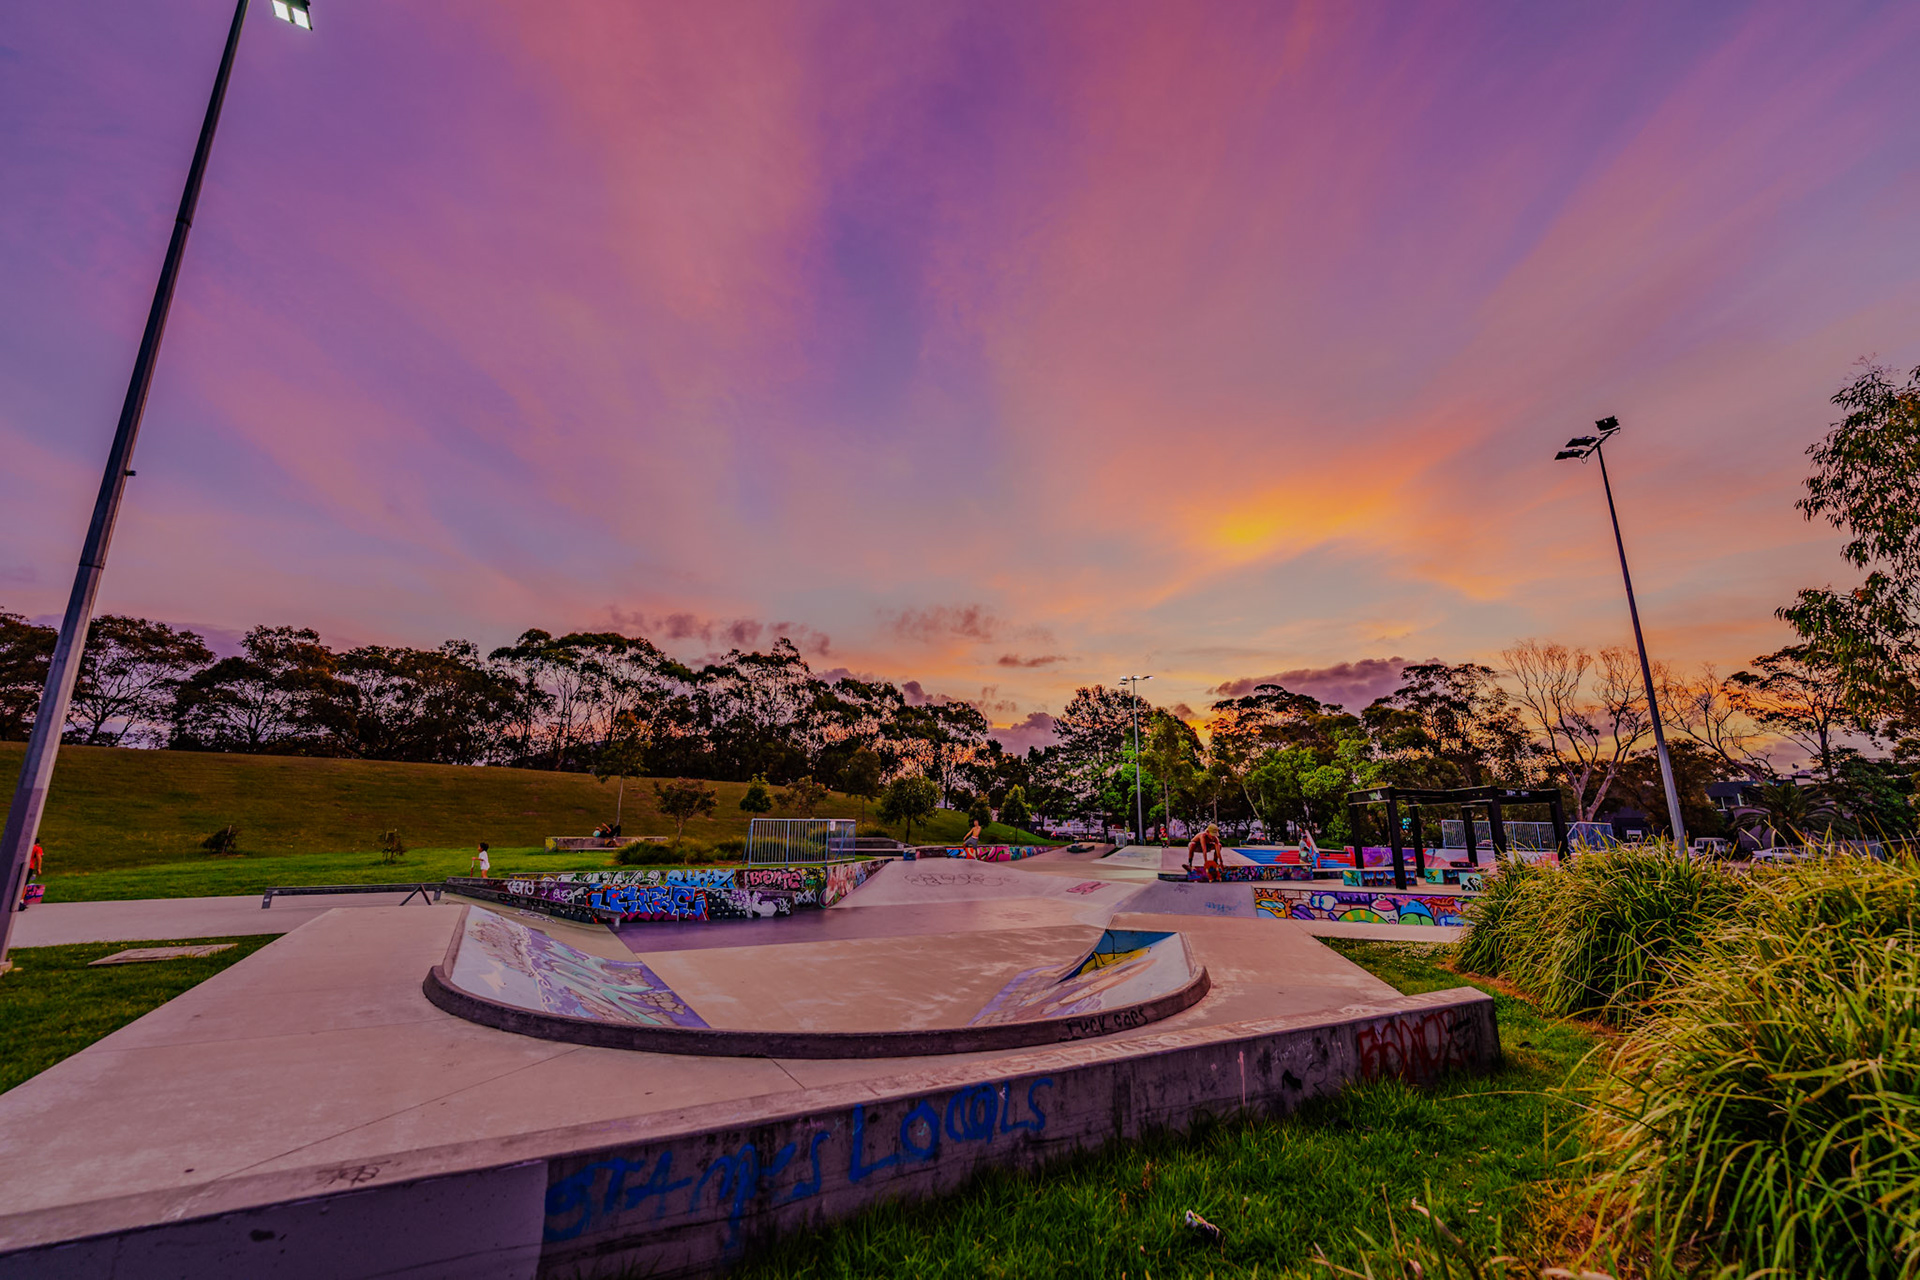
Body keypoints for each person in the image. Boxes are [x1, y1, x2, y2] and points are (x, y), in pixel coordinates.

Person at [17, 840, 43, 911]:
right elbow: (39, 858)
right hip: (29, 867)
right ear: (37, 843)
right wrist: (39, 868)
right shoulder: (37, 848)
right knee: (24, 884)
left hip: (18, 866)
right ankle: (20, 901)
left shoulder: (24, 846)